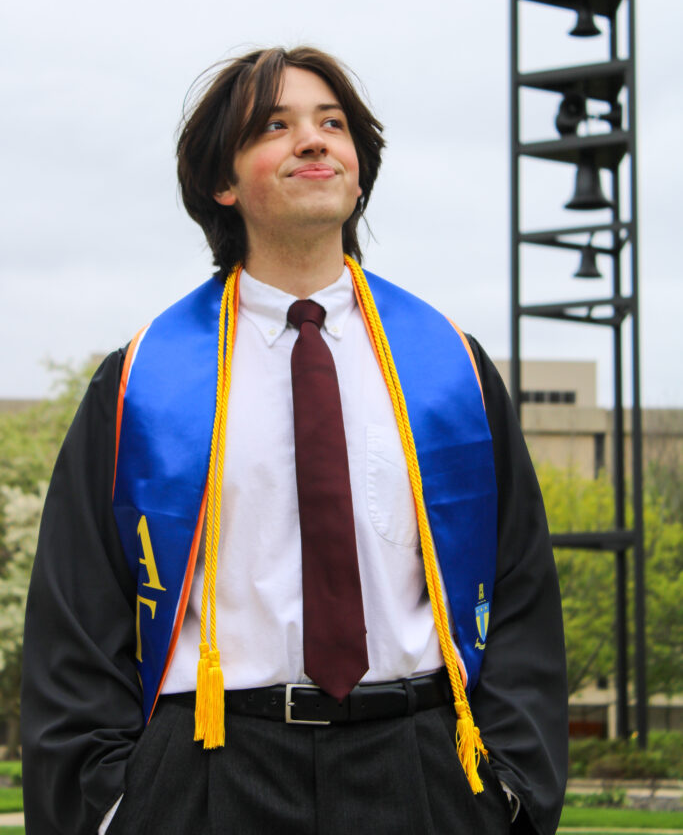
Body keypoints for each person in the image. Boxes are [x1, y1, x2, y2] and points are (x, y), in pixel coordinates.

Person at [21, 46, 568, 835]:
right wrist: (112, 804)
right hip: (207, 773)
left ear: (357, 164)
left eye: (332, 124)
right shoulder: (142, 384)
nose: (313, 141)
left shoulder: (450, 370)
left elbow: (520, 592)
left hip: (422, 772)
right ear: (223, 180)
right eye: (275, 126)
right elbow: (77, 616)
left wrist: (510, 793)